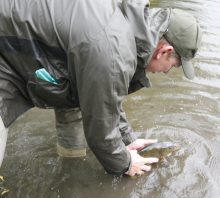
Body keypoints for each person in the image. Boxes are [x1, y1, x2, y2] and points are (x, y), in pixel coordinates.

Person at [0, 0, 202, 176]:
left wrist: (128, 139)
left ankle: (70, 169)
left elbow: (104, 98)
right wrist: (126, 164)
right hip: (6, 46)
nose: (168, 72)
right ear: (164, 51)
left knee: (75, 102)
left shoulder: (127, 26)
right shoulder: (113, 51)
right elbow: (101, 131)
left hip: (38, 46)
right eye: (174, 65)